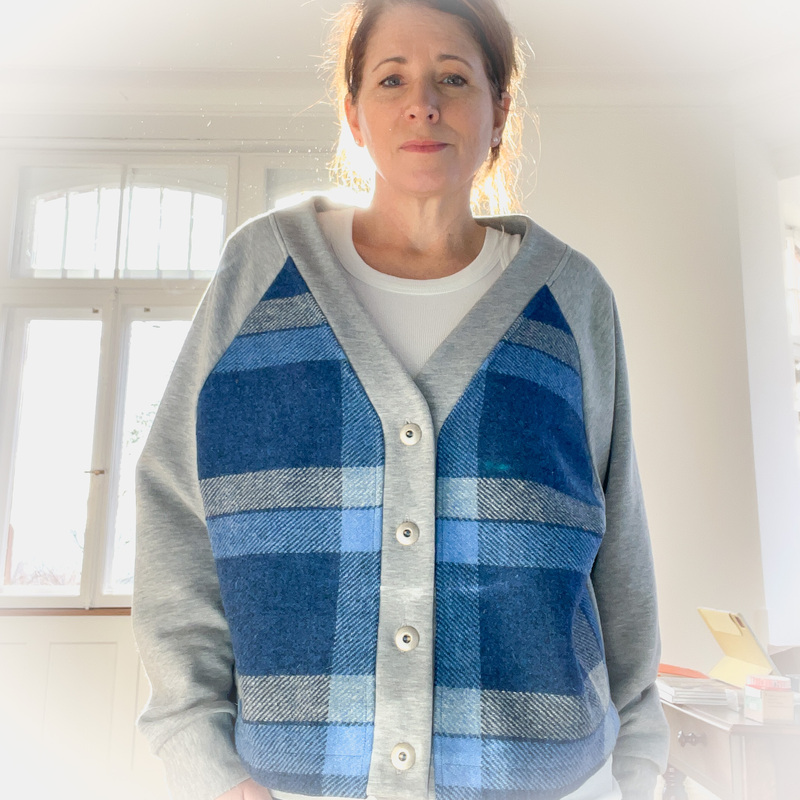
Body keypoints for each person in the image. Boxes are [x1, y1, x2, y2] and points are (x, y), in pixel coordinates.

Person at [133, 1, 670, 799]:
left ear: (499, 111)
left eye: (453, 78)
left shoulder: (571, 296)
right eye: (392, 79)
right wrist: (203, 757)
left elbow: (617, 543)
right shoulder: (261, 274)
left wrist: (642, 766)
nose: (423, 104)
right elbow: (176, 509)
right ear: (354, 112)